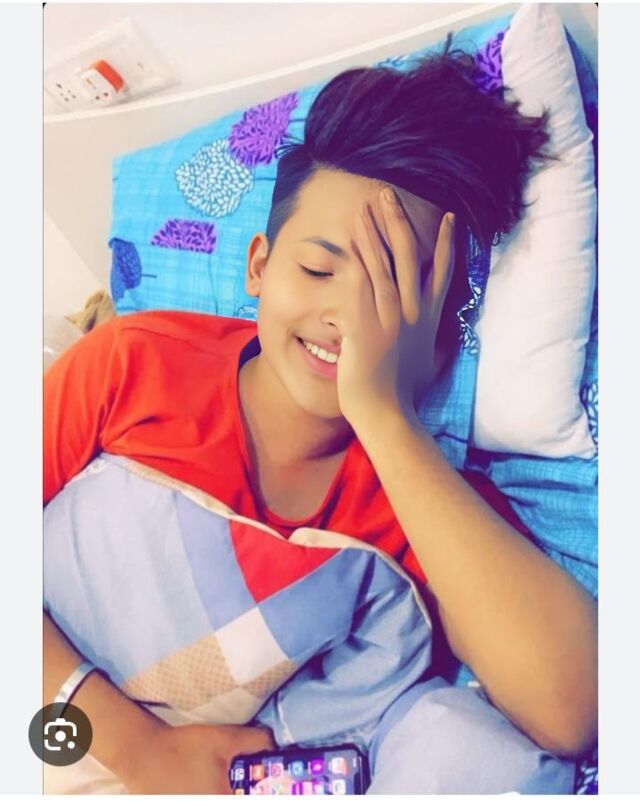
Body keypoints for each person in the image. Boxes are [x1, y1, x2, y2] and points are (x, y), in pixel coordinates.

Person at [44, 36, 597, 793]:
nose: (346, 317)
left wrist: (385, 415)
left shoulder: (425, 505)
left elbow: (574, 712)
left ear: (443, 335)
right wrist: (137, 747)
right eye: (316, 269)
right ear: (259, 265)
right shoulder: (133, 363)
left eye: (393, 294)